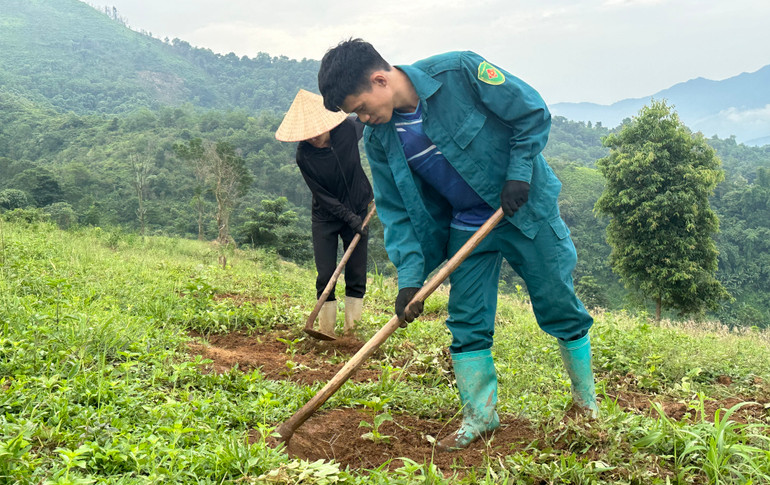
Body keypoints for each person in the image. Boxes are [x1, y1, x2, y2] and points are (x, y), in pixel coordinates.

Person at [318, 39, 598, 451]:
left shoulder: (459, 72)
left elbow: (531, 112)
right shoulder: (379, 139)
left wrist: (519, 173)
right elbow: (397, 212)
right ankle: (480, 417)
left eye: (361, 107)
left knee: (557, 301)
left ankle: (585, 405)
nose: (363, 118)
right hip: (467, 224)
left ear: (379, 80)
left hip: (522, 208)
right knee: (467, 318)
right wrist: (410, 279)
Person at [275, 89, 374, 337]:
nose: (312, 138)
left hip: (358, 208)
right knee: (326, 274)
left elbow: (372, 119)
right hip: (326, 216)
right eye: (306, 134)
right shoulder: (304, 156)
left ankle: (352, 333)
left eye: (316, 132)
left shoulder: (347, 129)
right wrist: (349, 218)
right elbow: (323, 196)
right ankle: (326, 332)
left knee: (356, 273)